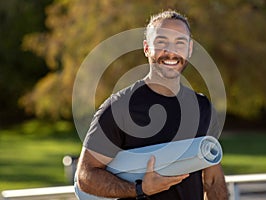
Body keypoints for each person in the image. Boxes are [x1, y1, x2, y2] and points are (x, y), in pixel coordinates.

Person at [75, 10, 228, 200]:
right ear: (147, 48)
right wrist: (140, 189)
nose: (171, 52)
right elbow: (85, 176)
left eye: (179, 43)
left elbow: (212, 180)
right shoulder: (119, 108)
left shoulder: (202, 107)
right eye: (162, 42)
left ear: (189, 49)